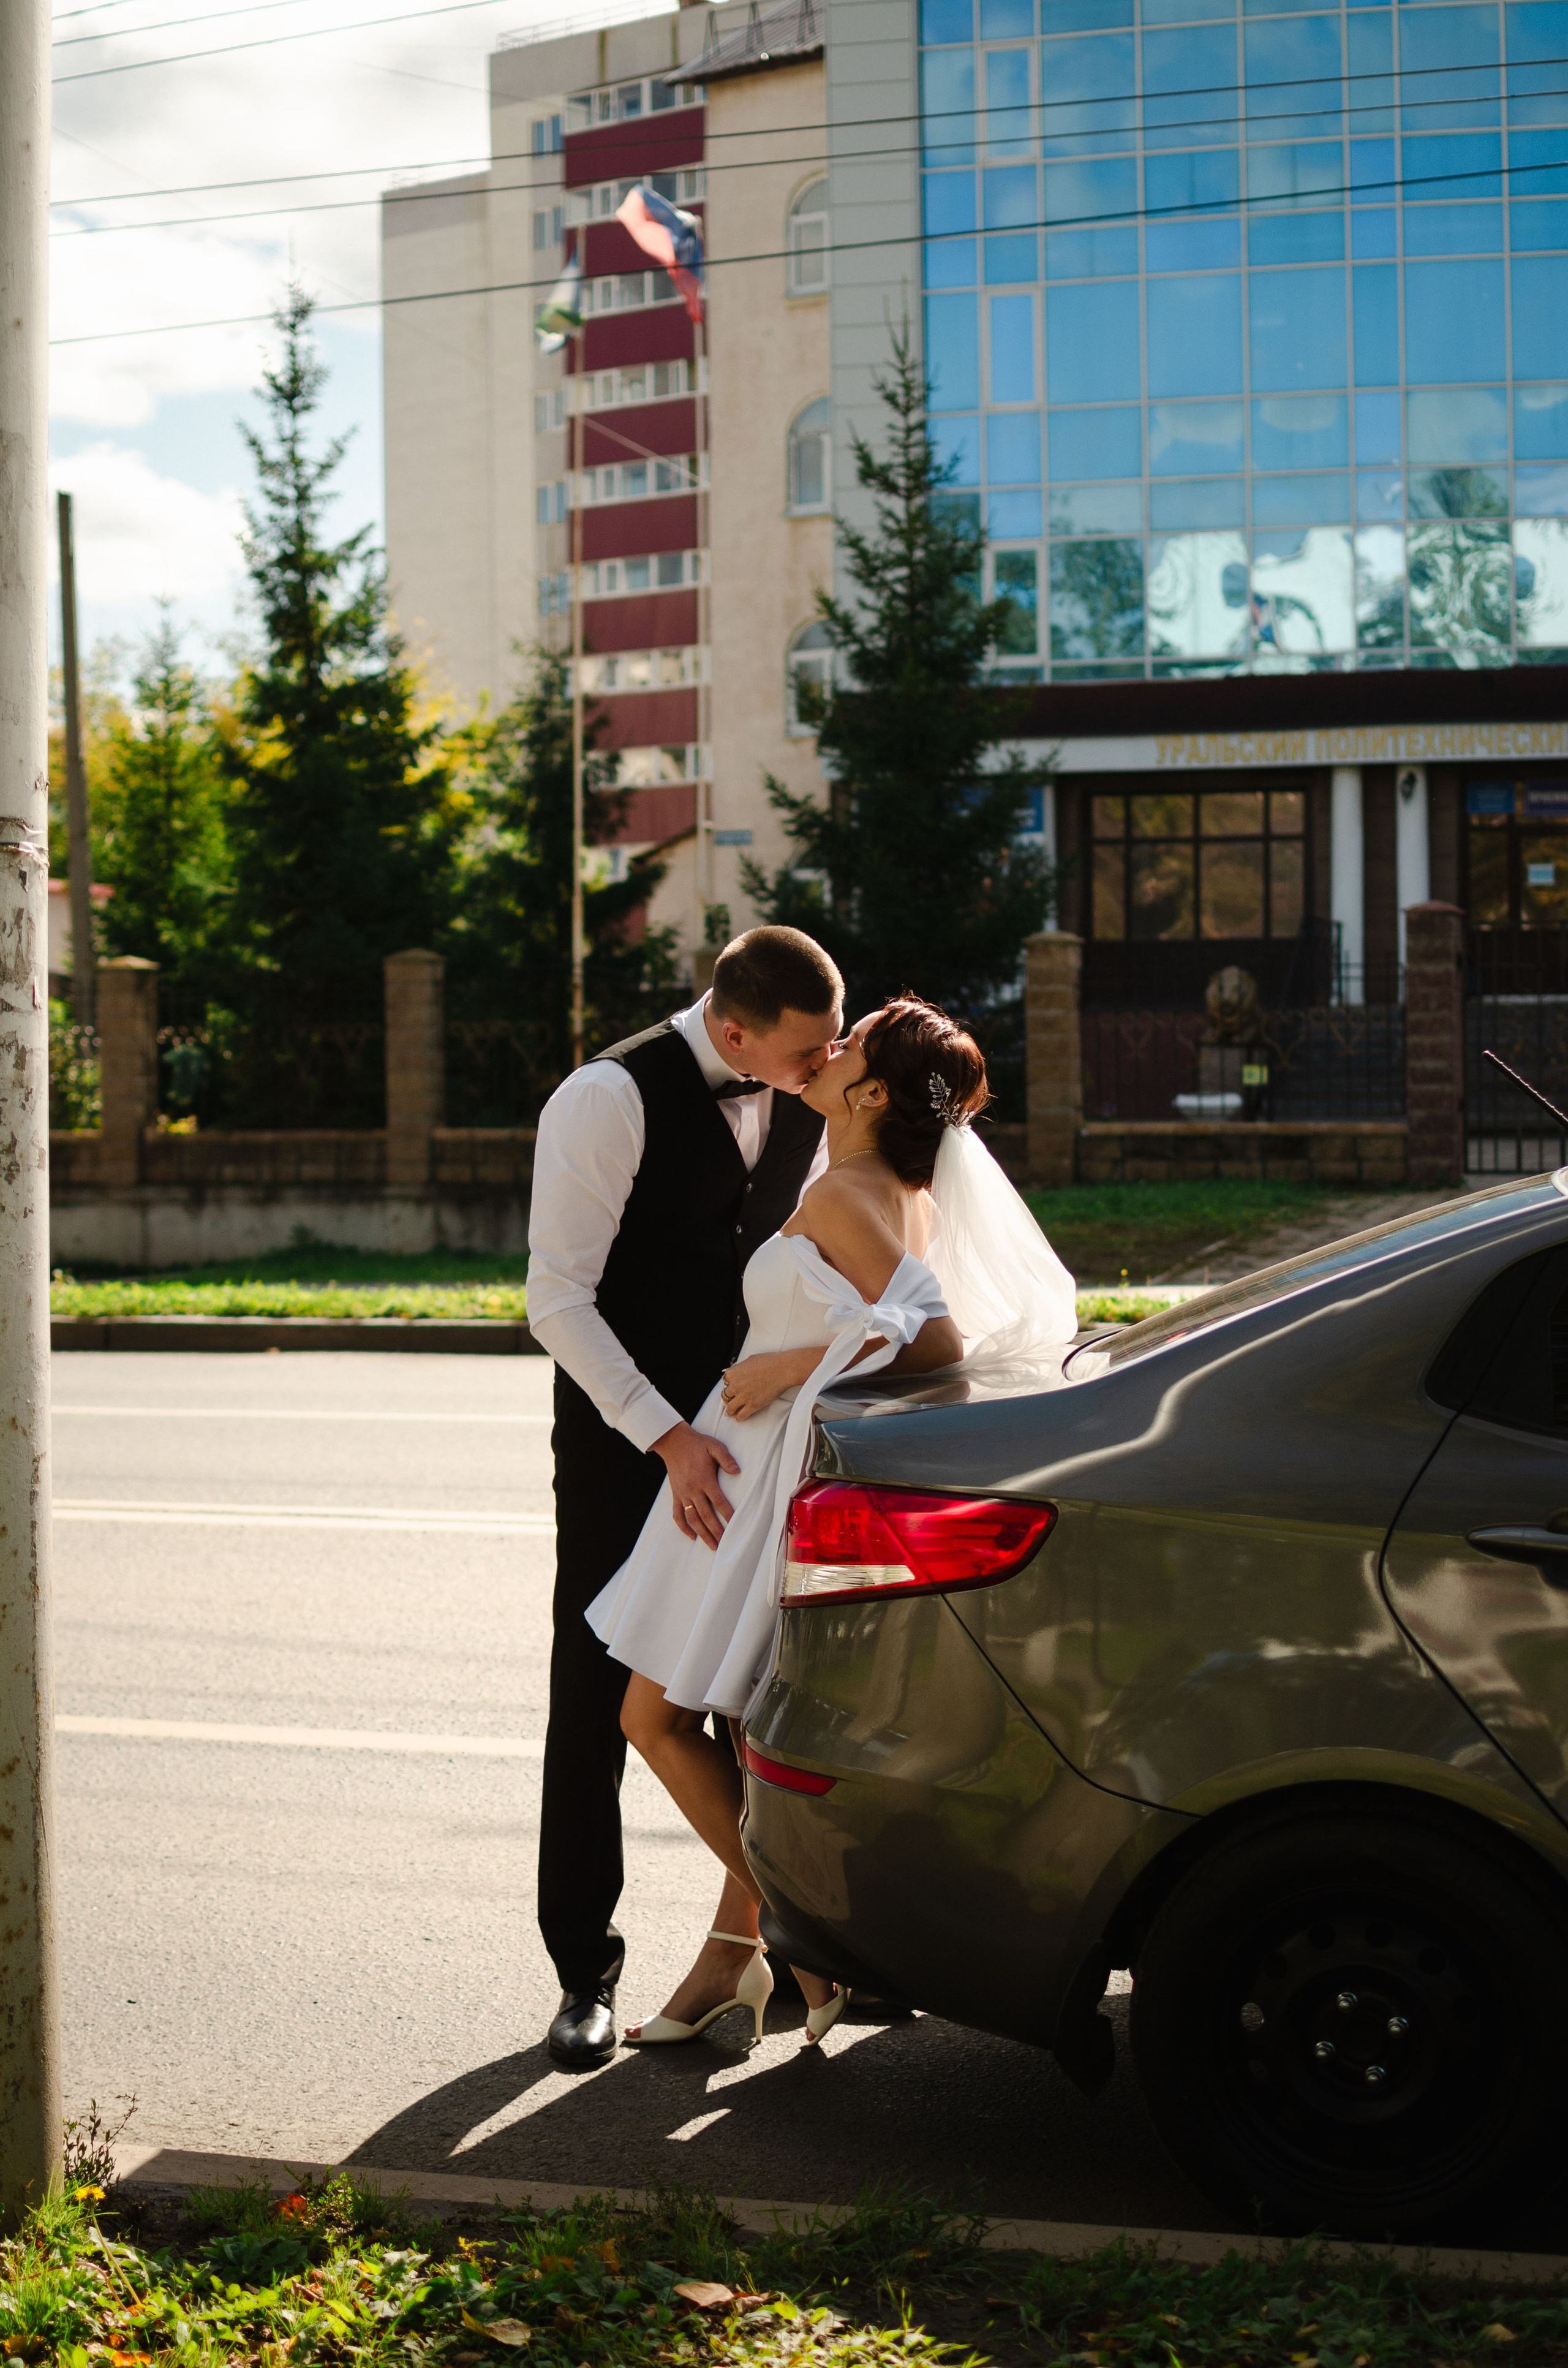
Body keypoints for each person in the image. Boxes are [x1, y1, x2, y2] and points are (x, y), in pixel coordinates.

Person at [588, 994, 1078, 2048]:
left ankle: (810, 1940)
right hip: (753, 1466)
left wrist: (786, 1364)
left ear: (873, 1092)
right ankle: (764, 1958)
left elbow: (937, 1345)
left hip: (754, 1475)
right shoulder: (890, 1189)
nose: (829, 1047)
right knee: (736, 1726)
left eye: (849, 1044)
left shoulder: (851, 1192)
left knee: (653, 1719)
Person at [526, 925, 845, 2069]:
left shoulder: (808, 1090)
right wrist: (667, 1438)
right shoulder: (605, 1098)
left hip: (756, 1442)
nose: (822, 1068)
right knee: (597, 1691)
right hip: (630, 1442)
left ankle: (769, 1944)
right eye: (805, 1054)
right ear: (733, 1031)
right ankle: (584, 1971)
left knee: (750, 1693)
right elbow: (556, 1299)